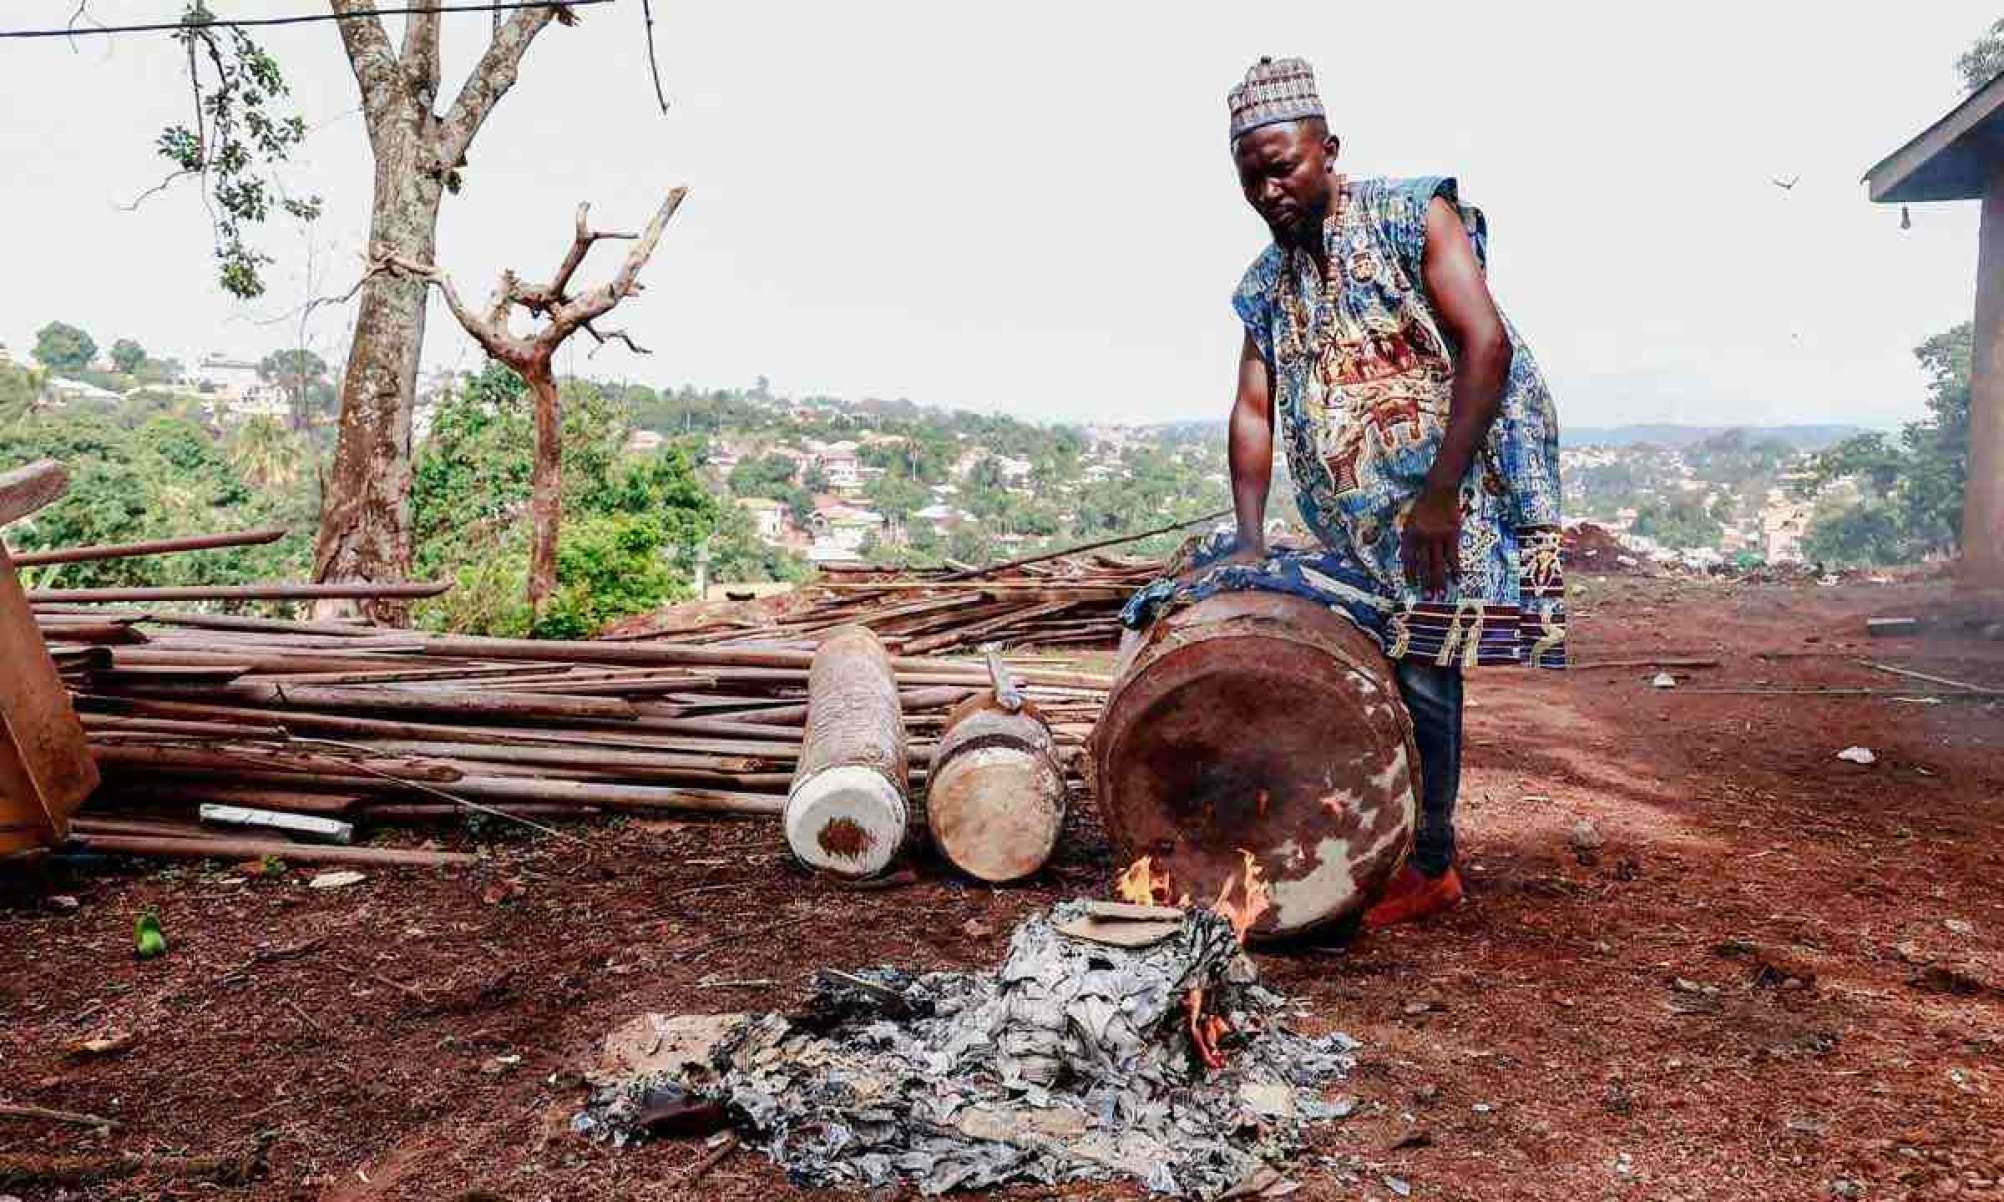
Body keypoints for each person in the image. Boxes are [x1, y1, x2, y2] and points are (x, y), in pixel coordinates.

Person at [1221, 57, 1565, 929]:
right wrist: (1252, 537)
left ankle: (1433, 863)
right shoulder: (1268, 286)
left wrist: (1443, 494)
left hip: (1455, 485)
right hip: (1364, 516)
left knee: (1426, 666)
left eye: (1283, 165)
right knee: (1381, 661)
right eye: (1249, 175)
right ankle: (1383, 832)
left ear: (1327, 149)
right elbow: (1253, 411)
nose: (1268, 189)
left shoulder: (1415, 214)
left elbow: (1484, 345)